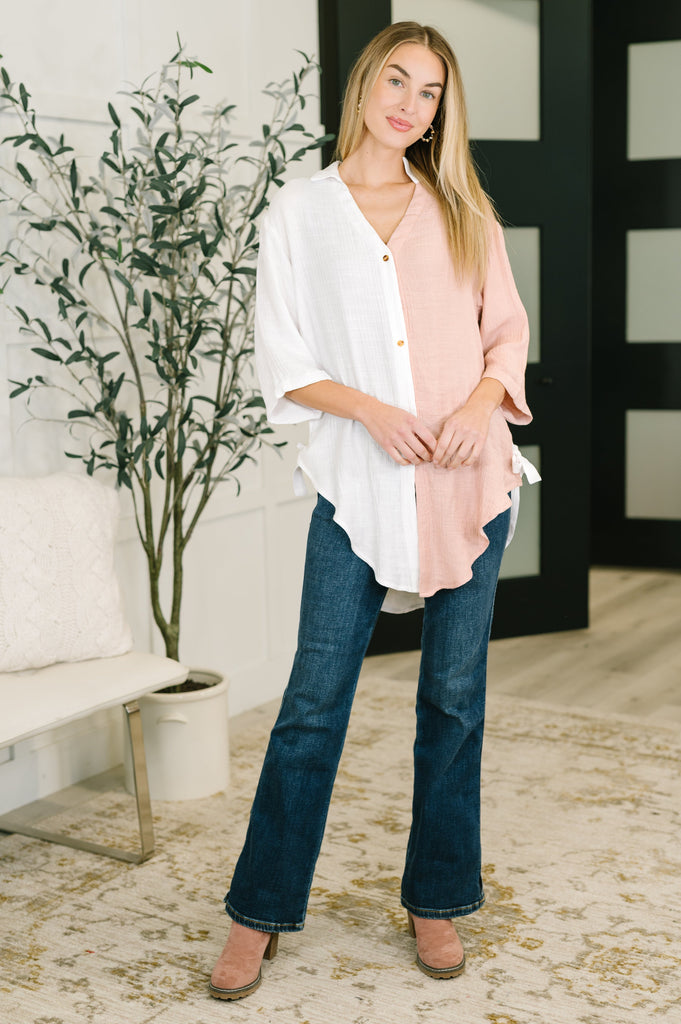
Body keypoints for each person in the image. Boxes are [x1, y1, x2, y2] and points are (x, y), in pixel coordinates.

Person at [209, 20, 533, 1000]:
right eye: (397, 80)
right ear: (363, 85)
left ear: (440, 111)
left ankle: (436, 897)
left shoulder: (461, 207)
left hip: (471, 482)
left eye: (429, 92)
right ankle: (258, 911)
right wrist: (374, 412)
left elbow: (505, 333)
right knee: (312, 706)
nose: (409, 104)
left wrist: (478, 406)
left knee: (453, 701)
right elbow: (283, 358)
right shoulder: (300, 213)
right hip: (359, 490)